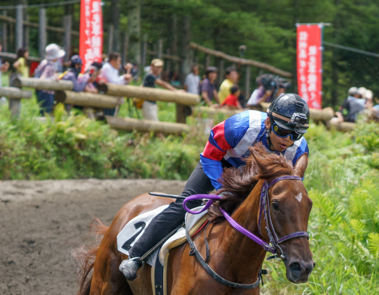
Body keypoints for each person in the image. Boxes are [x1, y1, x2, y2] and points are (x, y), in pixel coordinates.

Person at [119, 93, 312, 281]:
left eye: (295, 134)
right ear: (269, 123)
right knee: (185, 204)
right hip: (218, 163)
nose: (287, 139)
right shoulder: (240, 126)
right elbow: (210, 156)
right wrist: (224, 188)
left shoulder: (299, 151)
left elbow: (291, 190)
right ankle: (136, 255)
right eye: (282, 131)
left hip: (253, 175)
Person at [33, 43, 65, 115]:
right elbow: (43, 79)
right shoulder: (50, 66)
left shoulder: (44, 62)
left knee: (42, 111)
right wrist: (54, 78)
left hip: (39, 91)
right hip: (46, 92)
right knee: (45, 113)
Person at [100, 52, 132, 116]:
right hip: (107, 96)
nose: (119, 63)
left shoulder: (114, 69)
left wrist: (126, 76)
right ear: (113, 61)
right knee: (108, 115)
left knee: (113, 114)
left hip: (113, 96)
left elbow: (119, 82)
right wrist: (124, 77)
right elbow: (113, 82)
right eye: (118, 61)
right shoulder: (107, 68)